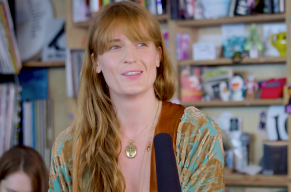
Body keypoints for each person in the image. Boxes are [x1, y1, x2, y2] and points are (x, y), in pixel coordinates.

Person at [49, 1, 224, 192]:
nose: (130, 57)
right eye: (115, 47)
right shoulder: (68, 147)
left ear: (158, 56)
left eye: (141, 44)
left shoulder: (196, 133)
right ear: (96, 62)